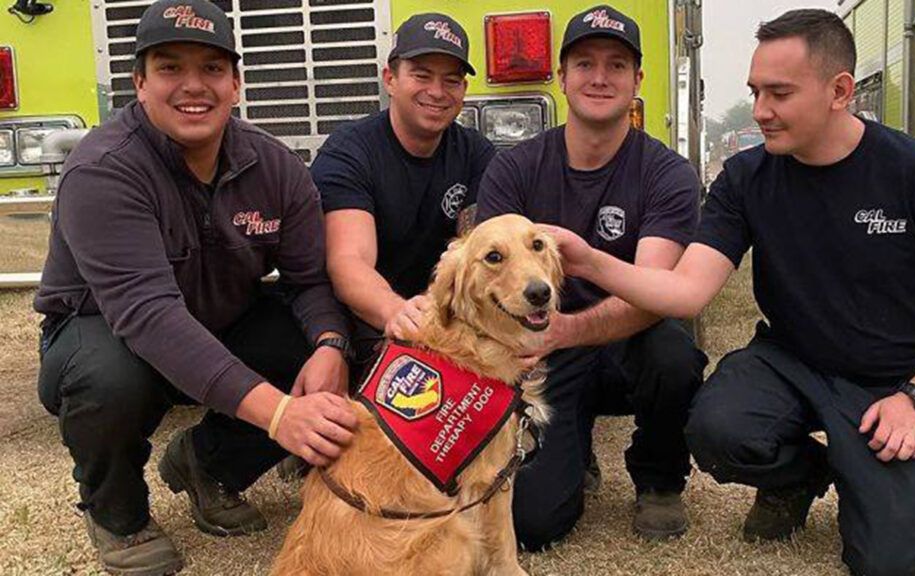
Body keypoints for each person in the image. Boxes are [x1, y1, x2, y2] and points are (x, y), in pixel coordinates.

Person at [545, 9, 915, 576]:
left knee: (892, 561)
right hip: (788, 361)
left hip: (888, 380)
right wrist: (590, 259)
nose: (761, 111)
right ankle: (798, 477)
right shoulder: (747, 178)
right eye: (754, 91)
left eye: (779, 93)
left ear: (840, 91)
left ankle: (873, 478)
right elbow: (685, 292)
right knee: (716, 428)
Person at [33, 1, 358, 573]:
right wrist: (281, 415)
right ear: (138, 82)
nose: (193, 86)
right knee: (106, 377)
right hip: (107, 331)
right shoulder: (103, 170)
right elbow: (149, 315)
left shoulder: (276, 167)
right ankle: (119, 516)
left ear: (235, 83)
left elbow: (310, 280)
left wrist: (331, 344)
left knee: (324, 335)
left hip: (219, 321)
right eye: (169, 68)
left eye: (211, 68)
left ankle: (208, 465)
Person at [474, 4, 707, 550]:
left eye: (616, 65)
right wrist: (541, 340)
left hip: (629, 337)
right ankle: (572, 455)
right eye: (584, 63)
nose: (599, 77)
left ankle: (658, 479)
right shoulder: (514, 168)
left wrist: (568, 322)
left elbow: (656, 295)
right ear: (562, 77)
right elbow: (491, 281)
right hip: (544, 347)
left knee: (673, 354)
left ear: (638, 80)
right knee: (533, 526)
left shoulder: (667, 172)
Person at [310, 12, 495, 371]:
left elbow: (480, 250)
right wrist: (397, 311)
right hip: (366, 314)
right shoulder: (350, 151)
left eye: (451, 80)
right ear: (390, 79)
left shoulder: (476, 153)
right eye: (422, 75)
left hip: (443, 311)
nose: (437, 92)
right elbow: (348, 262)